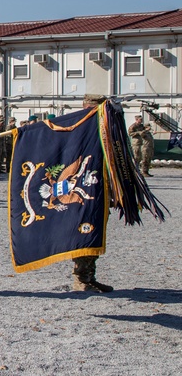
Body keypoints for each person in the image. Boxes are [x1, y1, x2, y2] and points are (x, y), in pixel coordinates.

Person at [71, 94, 114, 293]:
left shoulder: (105, 129)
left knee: (96, 232)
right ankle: (80, 278)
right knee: (84, 232)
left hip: (100, 188)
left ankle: (89, 276)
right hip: (83, 190)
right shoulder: (78, 127)